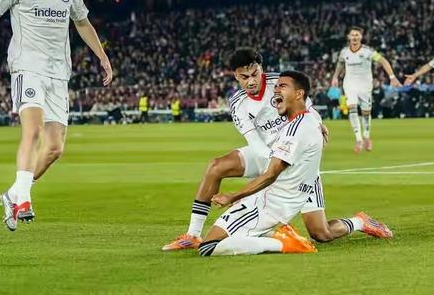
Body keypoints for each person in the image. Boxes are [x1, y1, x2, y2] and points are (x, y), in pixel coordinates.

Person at [162, 48, 390, 251]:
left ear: (261, 68)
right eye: (244, 77)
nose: (251, 81)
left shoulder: (280, 84)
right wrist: (274, 163)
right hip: (267, 153)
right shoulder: (238, 103)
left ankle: (360, 222)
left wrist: (318, 123)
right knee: (216, 166)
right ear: (236, 76)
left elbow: (308, 108)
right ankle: (193, 235)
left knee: (321, 233)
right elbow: (254, 142)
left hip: (298, 160)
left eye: (255, 74)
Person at [0, 0, 113, 231]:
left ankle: (13, 194)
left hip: (59, 74)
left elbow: (82, 23)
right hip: (27, 68)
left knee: (54, 149)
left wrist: (102, 56)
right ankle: (24, 200)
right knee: (34, 129)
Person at [331, 26, 402, 153]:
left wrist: (392, 77)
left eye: (357, 35)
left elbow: (383, 61)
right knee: (352, 108)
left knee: (366, 113)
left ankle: (367, 136)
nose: (354, 37)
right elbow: (340, 63)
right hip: (350, 84)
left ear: (361, 37)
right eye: (352, 35)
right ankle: (359, 139)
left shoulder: (367, 51)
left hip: (365, 85)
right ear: (348, 37)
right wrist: (335, 77)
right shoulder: (344, 52)